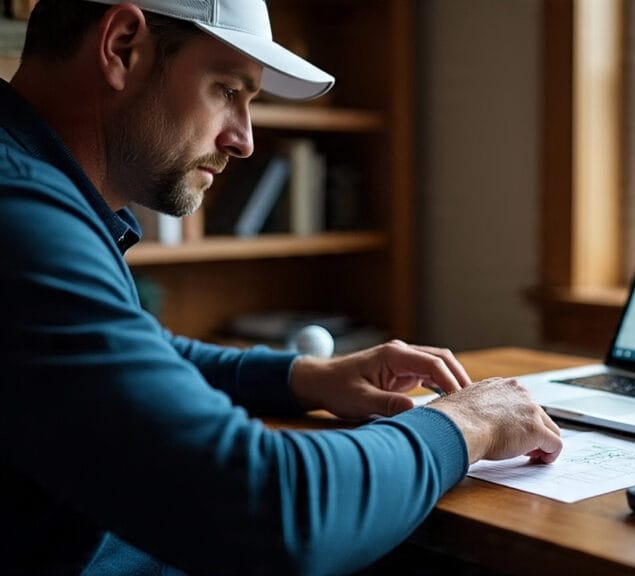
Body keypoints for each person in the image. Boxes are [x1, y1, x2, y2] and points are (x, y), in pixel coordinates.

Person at [0, 1, 563, 574]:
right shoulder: (19, 213)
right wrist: (467, 423)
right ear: (123, 47)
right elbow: (272, 511)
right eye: (227, 89)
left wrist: (302, 377)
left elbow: (132, 354)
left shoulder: (35, 185)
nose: (244, 140)